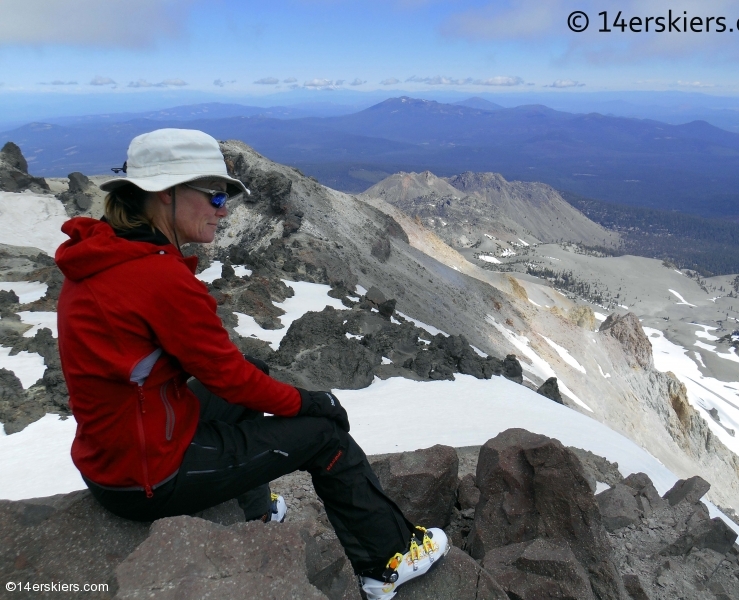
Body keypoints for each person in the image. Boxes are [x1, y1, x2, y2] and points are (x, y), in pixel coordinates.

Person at [55, 128, 448, 599]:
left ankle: (256, 513)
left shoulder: (107, 253)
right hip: (150, 476)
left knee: (258, 372)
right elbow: (228, 378)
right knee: (324, 436)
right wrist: (312, 401)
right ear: (164, 193)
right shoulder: (155, 277)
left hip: (121, 452)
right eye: (215, 196)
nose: (224, 209)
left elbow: (229, 377)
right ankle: (388, 560)